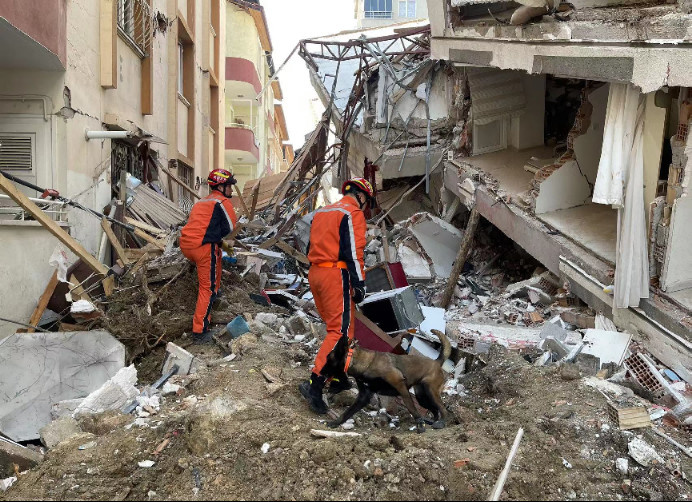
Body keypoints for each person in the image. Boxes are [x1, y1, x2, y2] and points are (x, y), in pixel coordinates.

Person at [299, 177, 374, 414]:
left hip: (316, 273)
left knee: (345, 327)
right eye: (366, 201)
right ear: (361, 197)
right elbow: (353, 253)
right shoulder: (352, 214)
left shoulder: (324, 211)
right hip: (335, 274)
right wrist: (360, 284)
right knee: (338, 331)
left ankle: (338, 377)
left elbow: (307, 242)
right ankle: (315, 383)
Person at [180, 169, 238, 344]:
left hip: (187, 245)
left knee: (217, 255)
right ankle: (200, 331)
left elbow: (204, 228)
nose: (231, 190)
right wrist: (225, 244)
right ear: (221, 186)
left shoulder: (202, 202)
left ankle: (216, 292)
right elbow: (230, 228)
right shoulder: (222, 202)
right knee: (207, 288)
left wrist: (222, 246)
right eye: (229, 186)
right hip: (203, 248)